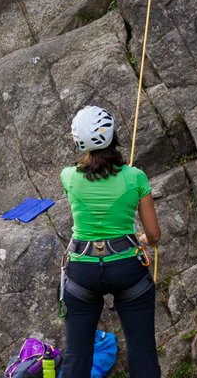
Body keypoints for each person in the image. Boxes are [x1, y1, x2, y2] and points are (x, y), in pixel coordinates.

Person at [59, 106, 162, 377]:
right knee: (143, 352)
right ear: (113, 134)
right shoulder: (135, 176)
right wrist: (142, 238)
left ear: (78, 140)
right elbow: (154, 235)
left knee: (76, 356)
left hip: (82, 271)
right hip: (127, 269)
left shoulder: (69, 176)